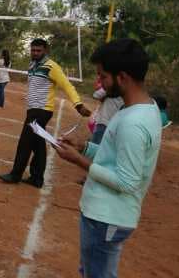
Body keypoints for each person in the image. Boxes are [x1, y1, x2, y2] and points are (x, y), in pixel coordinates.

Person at [55, 38, 162, 278]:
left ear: (122, 77)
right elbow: (113, 156)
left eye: (103, 76)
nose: (100, 83)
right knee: (91, 270)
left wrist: (78, 160)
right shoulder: (139, 108)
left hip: (107, 217)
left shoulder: (133, 122)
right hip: (104, 214)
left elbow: (127, 181)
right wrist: (84, 147)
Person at [0, 38, 91, 188]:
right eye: (33, 50)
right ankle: (37, 178)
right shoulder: (32, 65)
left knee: (25, 142)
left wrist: (78, 105)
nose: (35, 53)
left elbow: (67, 85)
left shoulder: (51, 66)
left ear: (45, 50)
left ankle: (15, 175)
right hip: (33, 109)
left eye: (38, 50)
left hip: (42, 110)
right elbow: (35, 86)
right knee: (37, 144)